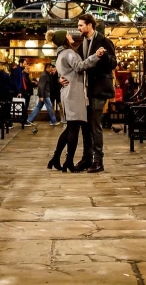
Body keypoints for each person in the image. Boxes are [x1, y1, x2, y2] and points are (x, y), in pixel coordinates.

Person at [46, 30, 105, 172]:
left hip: (67, 93)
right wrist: (96, 56)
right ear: (63, 39)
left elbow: (63, 73)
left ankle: (56, 158)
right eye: (68, 35)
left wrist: (60, 78)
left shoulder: (60, 54)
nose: (71, 36)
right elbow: (79, 66)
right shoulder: (69, 53)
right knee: (73, 129)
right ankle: (68, 162)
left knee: (70, 128)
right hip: (74, 93)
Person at [76, 13, 117, 173]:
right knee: (85, 125)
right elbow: (79, 65)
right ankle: (87, 158)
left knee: (95, 124)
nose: (78, 28)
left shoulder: (104, 41)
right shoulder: (83, 44)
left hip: (99, 89)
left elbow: (113, 63)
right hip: (85, 90)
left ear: (89, 25)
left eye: (80, 25)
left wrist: (104, 55)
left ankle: (98, 160)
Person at [27, 64, 59, 131]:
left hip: (46, 94)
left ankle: (29, 119)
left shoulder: (47, 74)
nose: (52, 68)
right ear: (47, 68)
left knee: (38, 107)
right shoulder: (44, 75)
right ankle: (54, 121)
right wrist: (41, 96)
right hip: (45, 94)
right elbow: (41, 86)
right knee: (49, 107)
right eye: (51, 67)